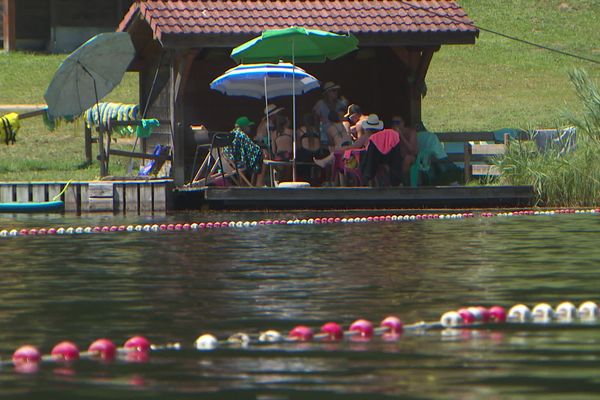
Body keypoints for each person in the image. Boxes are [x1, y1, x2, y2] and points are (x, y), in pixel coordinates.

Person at [223, 116, 265, 185]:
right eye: (248, 126)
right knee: (262, 156)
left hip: (227, 164)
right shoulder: (241, 134)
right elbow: (253, 149)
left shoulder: (230, 134)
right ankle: (258, 184)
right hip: (238, 164)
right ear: (244, 127)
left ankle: (250, 184)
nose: (250, 128)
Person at [312, 81, 348, 146]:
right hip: (325, 137)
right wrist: (317, 135)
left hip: (338, 135)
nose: (336, 92)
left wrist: (345, 105)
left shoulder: (340, 103)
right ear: (327, 93)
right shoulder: (320, 104)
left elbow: (343, 117)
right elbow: (316, 120)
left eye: (336, 90)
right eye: (333, 91)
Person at [391, 115, 418, 185]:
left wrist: (401, 136)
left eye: (397, 122)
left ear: (403, 123)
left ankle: (403, 182)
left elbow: (412, 150)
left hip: (410, 156)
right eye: (393, 122)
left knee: (407, 159)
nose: (395, 125)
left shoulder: (411, 132)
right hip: (396, 156)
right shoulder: (391, 133)